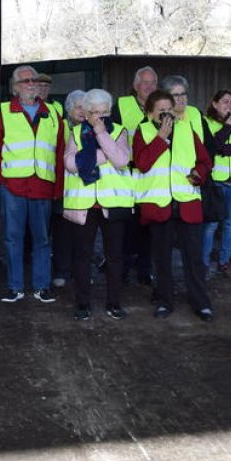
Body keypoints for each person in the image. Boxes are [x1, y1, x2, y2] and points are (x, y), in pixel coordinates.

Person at [0, 65, 65, 304]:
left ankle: (42, 286)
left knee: (42, 240)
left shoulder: (53, 113)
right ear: (15, 87)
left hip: (42, 186)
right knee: (13, 239)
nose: (31, 84)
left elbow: (59, 152)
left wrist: (57, 187)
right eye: (25, 81)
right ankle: (15, 287)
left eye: (34, 80)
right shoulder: (4, 112)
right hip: (13, 187)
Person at [133, 89, 214, 322]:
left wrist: (198, 174)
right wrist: (161, 138)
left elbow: (205, 161)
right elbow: (142, 163)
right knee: (161, 258)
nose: (166, 114)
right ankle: (164, 301)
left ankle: (201, 303)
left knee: (194, 258)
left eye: (169, 109)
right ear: (150, 112)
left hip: (187, 202)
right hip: (159, 206)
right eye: (161, 110)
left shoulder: (187, 129)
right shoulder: (143, 131)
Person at [63, 89, 133, 321]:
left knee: (115, 256)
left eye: (104, 112)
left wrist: (101, 134)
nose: (99, 117)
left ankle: (114, 303)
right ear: (86, 112)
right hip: (83, 204)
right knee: (82, 256)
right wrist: (104, 155)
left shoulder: (120, 130)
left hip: (113, 203)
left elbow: (121, 160)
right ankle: (82, 304)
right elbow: (69, 164)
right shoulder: (75, 132)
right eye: (95, 113)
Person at [112, 65, 158, 287]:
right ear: (135, 85)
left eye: (153, 83)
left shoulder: (160, 106)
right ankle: (122, 268)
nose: (149, 87)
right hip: (127, 173)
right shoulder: (121, 105)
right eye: (144, 82)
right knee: (126, 224)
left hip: (151, 174)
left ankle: (144, 270)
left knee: (148, 223)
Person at [202, 90, 231, 279]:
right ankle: (204, 265)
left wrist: (224, 149)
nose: (229, 106)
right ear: (214, 104)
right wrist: (226, 130)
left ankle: (224, 262)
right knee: (211, 225)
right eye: (224, 101)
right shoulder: (206, 123)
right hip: (216, 180)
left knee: (230, 225)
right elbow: (211, 146)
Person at [51, 89, 85, 288]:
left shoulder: (93, 128)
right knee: (62, 233)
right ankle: (62, 271)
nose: (81, 111)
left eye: (85, 107)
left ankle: (81, 272)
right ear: (69, 109)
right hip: (62, 188)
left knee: (82, 233)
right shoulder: (60, 126)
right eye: (77, 107)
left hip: (84, 189)